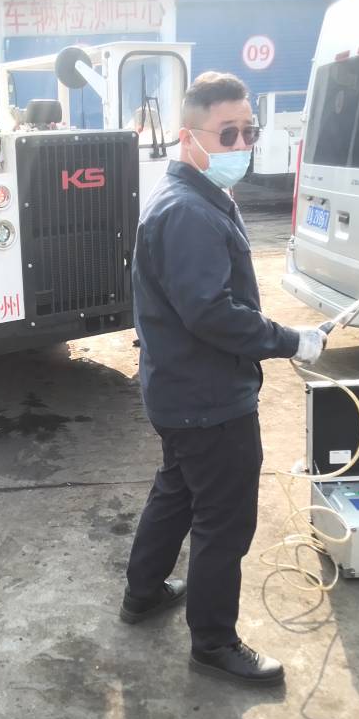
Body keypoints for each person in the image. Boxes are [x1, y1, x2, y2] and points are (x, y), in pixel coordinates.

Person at [119, 71, 327, 687]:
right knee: (224, 522)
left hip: (181, 391)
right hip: (207, 400)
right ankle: (213, 643)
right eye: (227, 133)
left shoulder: (200, 195)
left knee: (178, 491)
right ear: (189, 137)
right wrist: (291, 340)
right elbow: (211, 313)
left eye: (248, 131)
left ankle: (143, 592)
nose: (241, 144)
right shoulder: (188, 211)